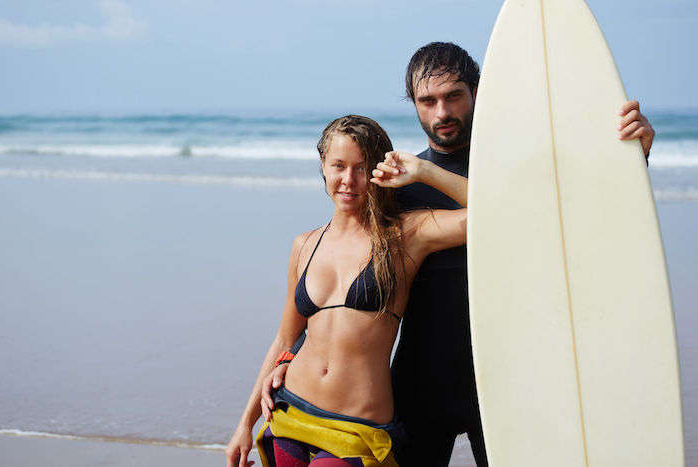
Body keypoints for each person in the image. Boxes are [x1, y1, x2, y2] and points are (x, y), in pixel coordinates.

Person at [256, 42, 656, 467]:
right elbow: (339, 279)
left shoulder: (519, 174)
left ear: (477, 93)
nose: (441, 112)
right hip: (419, 385)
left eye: (453, 96)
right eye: (428, 101)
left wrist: (633, 159)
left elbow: (576, 220)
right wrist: (290, 355)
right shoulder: (397, 190)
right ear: (415, 105)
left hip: (506, 382)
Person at [226, 114, 471, 467]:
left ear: (378, 171)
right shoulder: (305, 245)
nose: (348, 180)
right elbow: (283, 340)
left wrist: (423, 171)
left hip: (357, 430)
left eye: (361, 167)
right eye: (338, 166)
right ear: (323, 167)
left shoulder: (405, 236)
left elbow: (490, 209)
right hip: (290, 412)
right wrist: (244, 425)